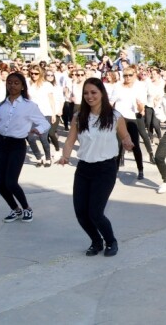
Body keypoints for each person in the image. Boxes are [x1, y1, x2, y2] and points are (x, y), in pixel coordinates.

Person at [59, 78, 133, 257]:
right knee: (81, 213)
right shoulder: (79, 117)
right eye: (86, 93)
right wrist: (65, 156)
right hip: (84, 169)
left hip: (105, 169)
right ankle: (96, 241)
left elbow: (125, 136)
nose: (89, 96)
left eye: (93, 92)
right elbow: (70, 140)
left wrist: (128, 142)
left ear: (102, 94)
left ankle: (111, 241)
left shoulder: (115, 116)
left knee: (95, 212)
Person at [0, 73, 50, 223]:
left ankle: (26, 208)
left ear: (22, 86)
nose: (12, 85)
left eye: (16, 83)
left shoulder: (29, 106)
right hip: (2, 143)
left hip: (17, 145)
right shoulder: (1, 105)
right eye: (9, 82)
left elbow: (45, 123)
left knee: (11, 182)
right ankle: (15, 209)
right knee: (0, 183)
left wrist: (38, 130)